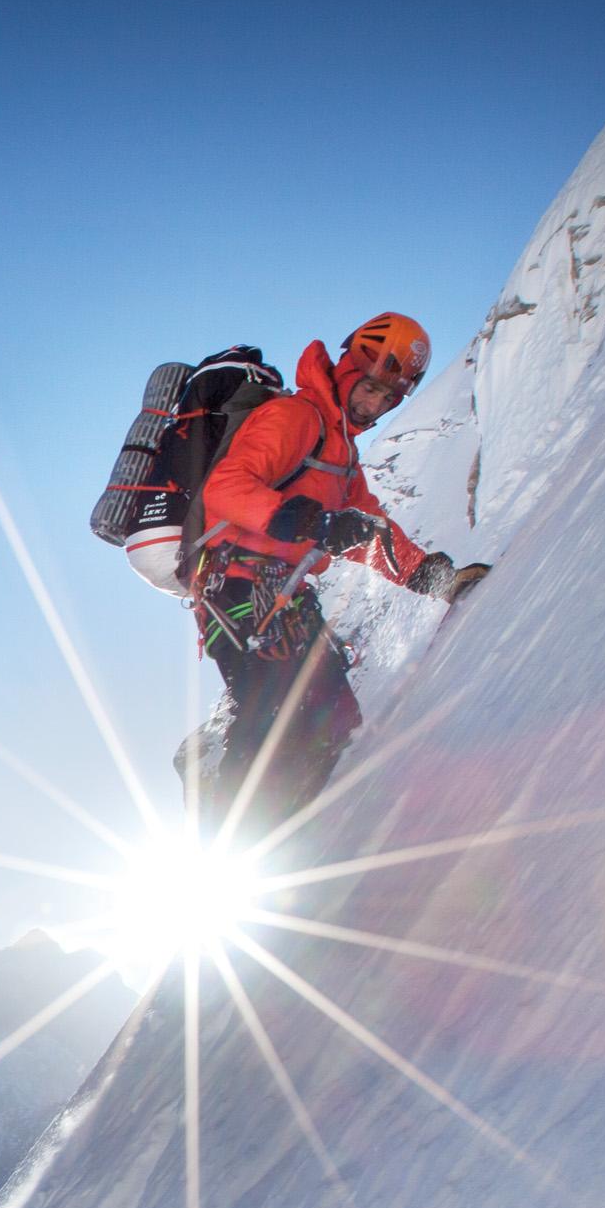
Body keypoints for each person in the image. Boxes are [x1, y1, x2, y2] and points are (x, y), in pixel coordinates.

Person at [189, 312, 482, 827]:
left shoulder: (341, 453)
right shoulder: (295, 418)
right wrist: (312, 522)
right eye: (369, 388)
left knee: (335, 720)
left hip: (288, 595)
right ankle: (233, 854)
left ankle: (307, 838)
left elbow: (373, 531)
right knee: (272, 716)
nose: (373, 406)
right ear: (348, 369)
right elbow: (226, 488)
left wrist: (438, 581)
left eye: (388, 399)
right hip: (234, 584)